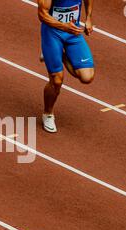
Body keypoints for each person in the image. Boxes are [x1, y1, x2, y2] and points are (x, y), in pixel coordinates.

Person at [38, 0, 95, 133]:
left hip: (73, 32)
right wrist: (63, 26)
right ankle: (48, 114)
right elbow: (42, 14)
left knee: (87, 77)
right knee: (57, 80)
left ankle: (59, 55)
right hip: (52, 33)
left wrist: (89, 18)